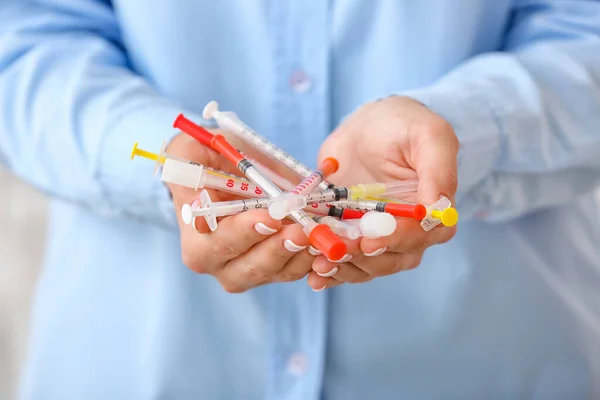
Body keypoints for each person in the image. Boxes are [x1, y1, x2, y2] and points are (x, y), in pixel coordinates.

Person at [1, 0, 599, 398]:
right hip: (132, 365)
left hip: (490, 362)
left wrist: (464, 126)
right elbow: (24, 45)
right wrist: (151, 152)